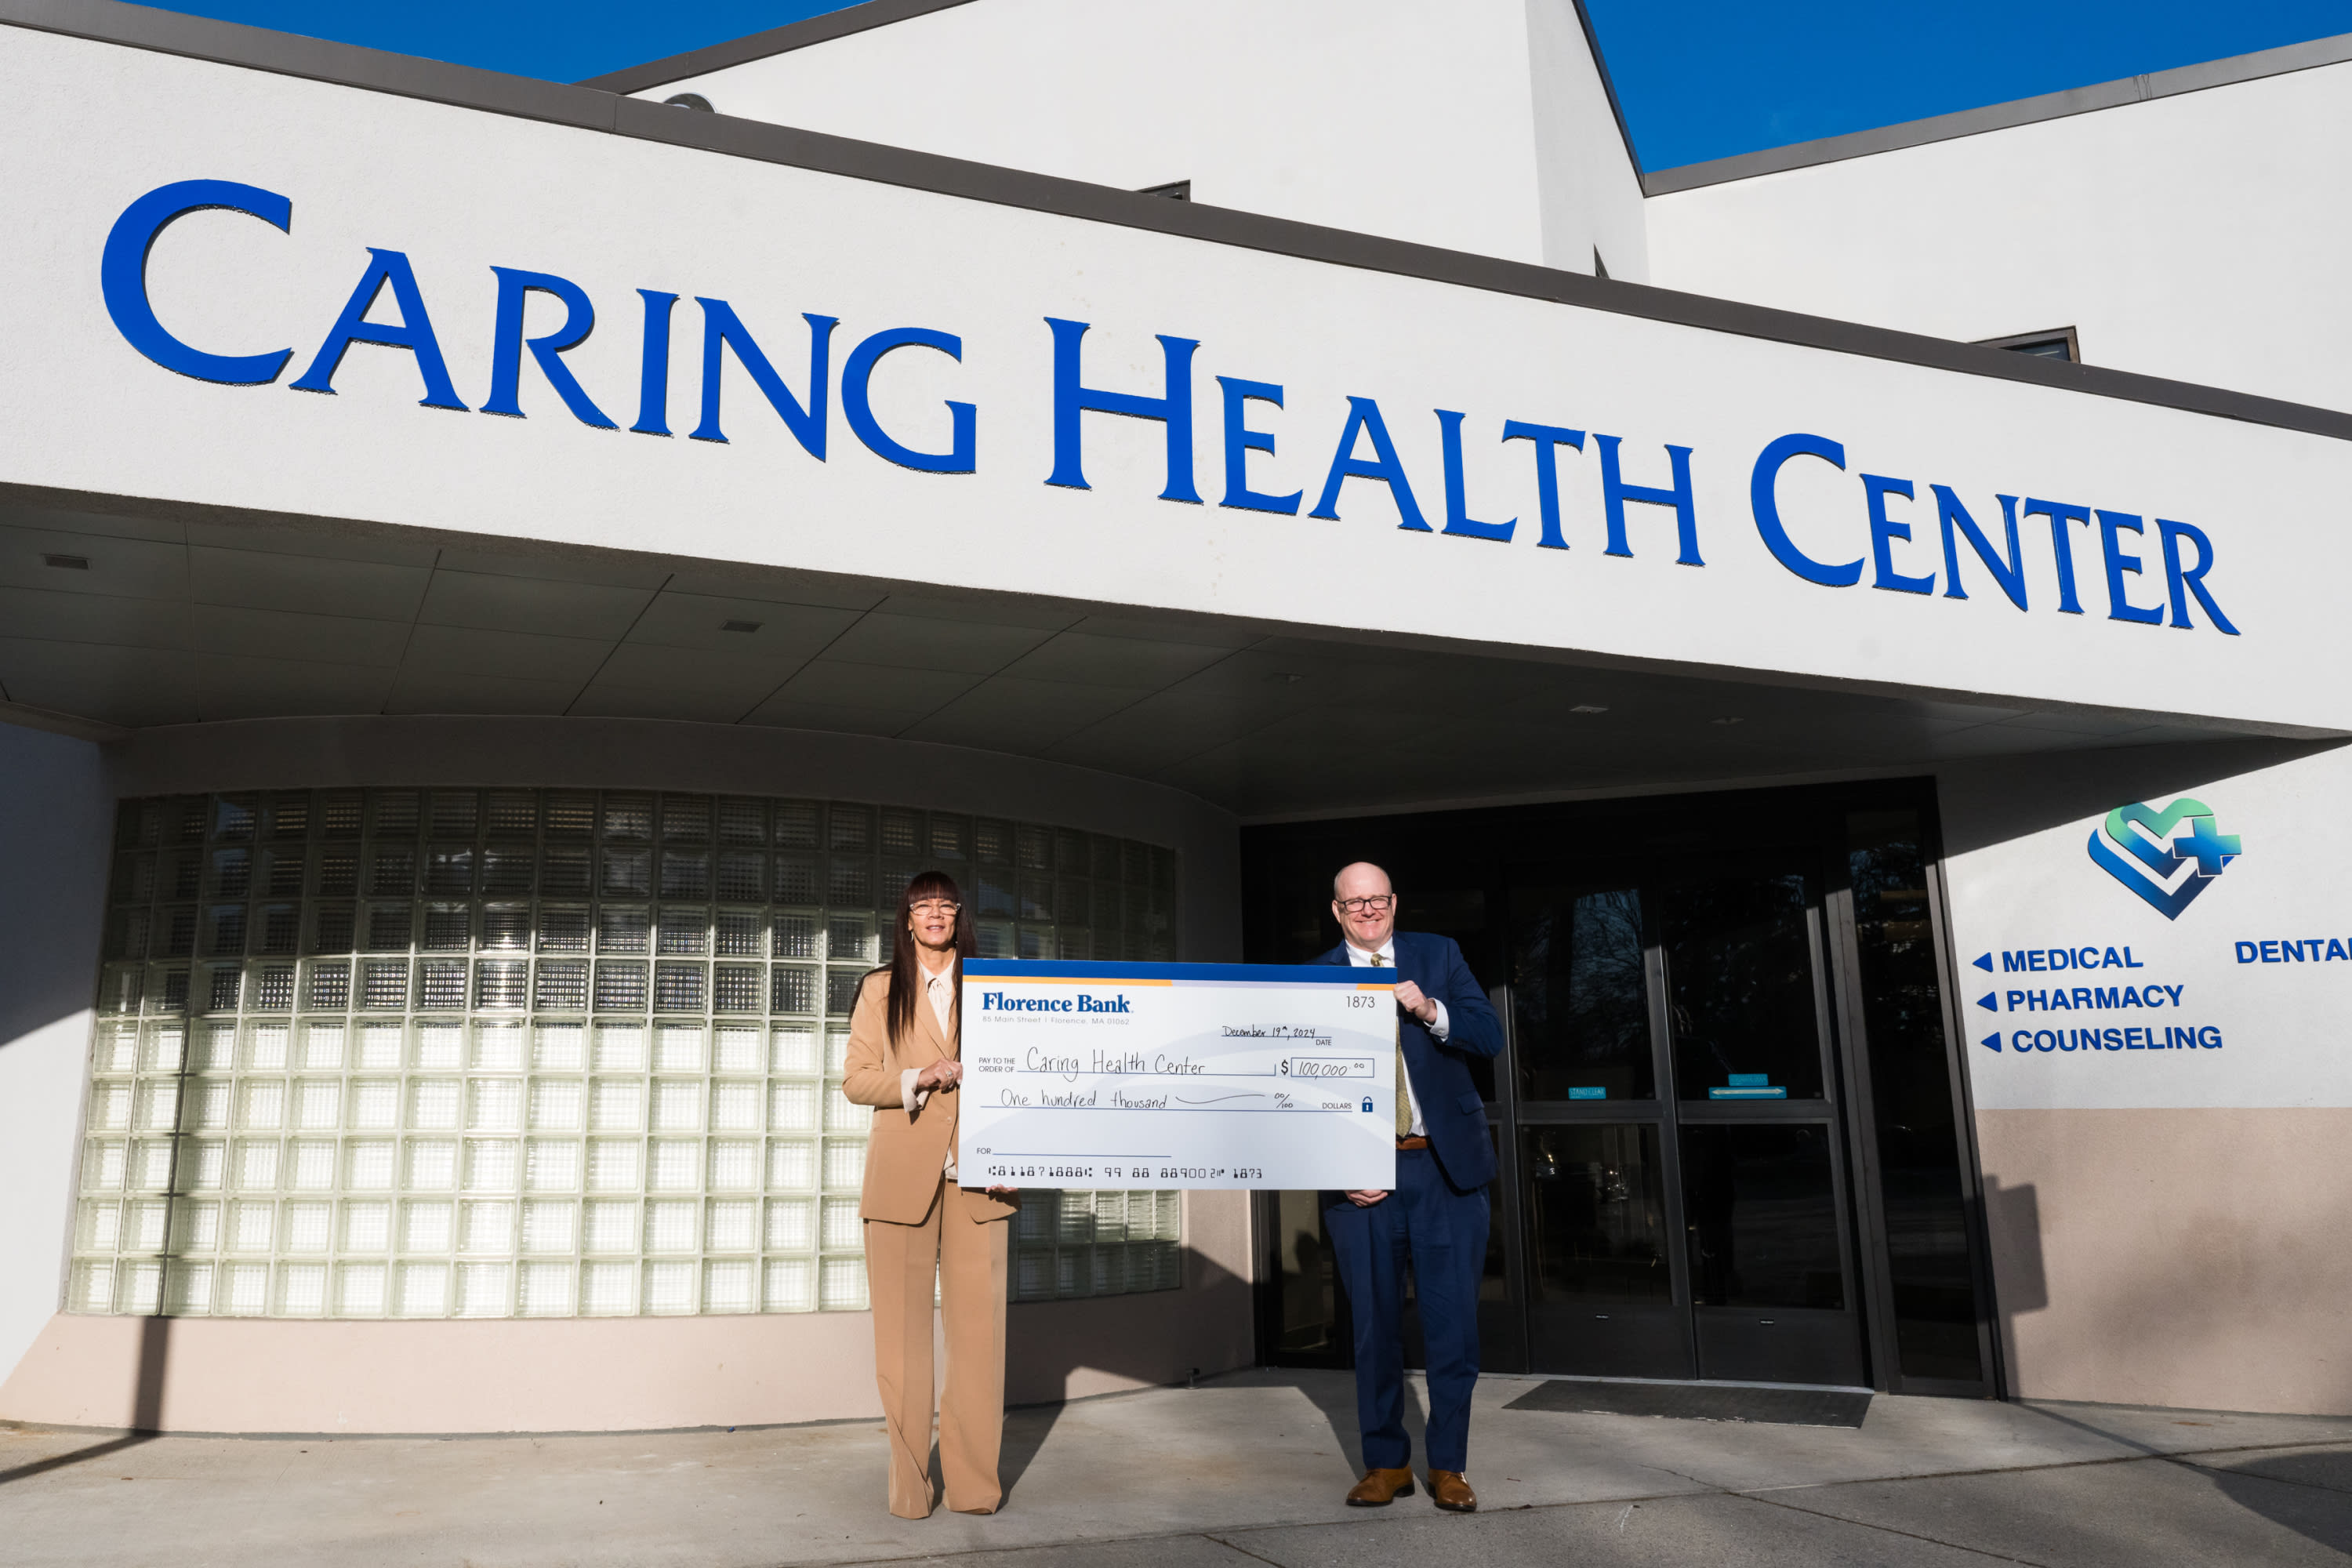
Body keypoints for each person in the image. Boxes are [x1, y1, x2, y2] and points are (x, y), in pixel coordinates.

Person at [1313, 861, 1503, 1513]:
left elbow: (1489, 1036)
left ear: (1394, 902)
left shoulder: (1439, 955)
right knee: (1374, 1330)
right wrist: (1339, 1166)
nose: (1368, 910)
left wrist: (1429, 1009)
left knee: (1453, 1328)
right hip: (1361, 1181)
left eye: (1378, 899)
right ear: (1337, 911)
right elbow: (1294, 1089)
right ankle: (1386, 1464)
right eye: (1355, 903)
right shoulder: (1310, 979)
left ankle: (1449, 1465)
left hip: (1444, 1170)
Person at [842, 871, 1019, 1519]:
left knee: (979, 1346)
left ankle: (974, 1490)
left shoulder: (997, 987)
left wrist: (1019, 1153)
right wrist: (919, 1076)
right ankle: (911, 1491)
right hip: (900, 1182)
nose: (935, 915)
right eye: (924, 906)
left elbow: (1028, 1077)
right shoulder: (880, 989)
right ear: (907, 918)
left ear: (959, 915)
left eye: (945, 905)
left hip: (981, 1182)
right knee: (902, 1346)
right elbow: (857, 1080)